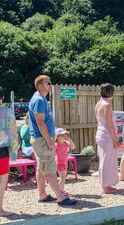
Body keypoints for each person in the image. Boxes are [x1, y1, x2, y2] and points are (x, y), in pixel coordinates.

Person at [29, 76, 77, 206]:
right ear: (40, 86)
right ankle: (60, 197)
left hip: (40, 139)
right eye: (48, 83)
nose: (50, 85)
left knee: (41, 167)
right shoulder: (39, 100)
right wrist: (50, 141)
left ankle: (42, 195)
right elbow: (40, 122)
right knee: (49, 167)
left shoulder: (40, 99)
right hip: (42, 139)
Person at [95, 83, 119, 194]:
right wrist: (115, 140)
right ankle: (106, 186)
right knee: (107, 161)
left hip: (100, 134)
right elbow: (109, 125)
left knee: (104, 160)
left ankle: (105, 184)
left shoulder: (98, 104)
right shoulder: (107, 105)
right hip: (107, 135)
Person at [0, 86, 19, 217]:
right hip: (2, 149)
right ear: (3, 97)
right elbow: (12, 132)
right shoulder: (7, 111)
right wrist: (14, 152)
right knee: (2, 179)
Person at [55, 128, 76, 196]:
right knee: (63, 177)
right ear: (57, 137)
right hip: (59, 163)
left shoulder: (65, 143)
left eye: (64, 135)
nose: (64, 136)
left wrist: (69, 139)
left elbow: (73, 147)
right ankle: (58, 191)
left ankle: (61, 190)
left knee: (63, 178)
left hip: (64, 163)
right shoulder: (56, 144)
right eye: (62, 135)